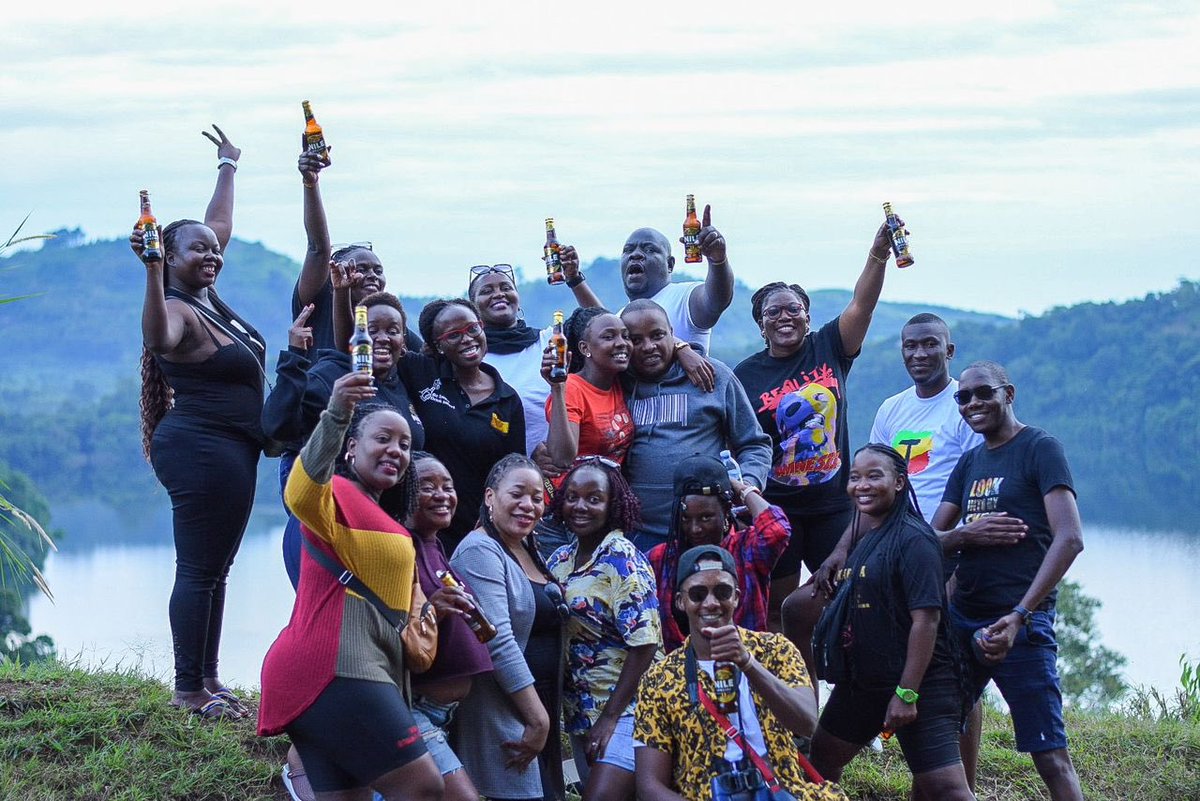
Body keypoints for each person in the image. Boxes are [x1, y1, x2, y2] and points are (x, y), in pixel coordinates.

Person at [258, 373, 443, 801]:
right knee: (425, 788)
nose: (395, 450)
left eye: (404, 444)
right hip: (336, 670)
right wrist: (337, 411)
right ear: (351, 447)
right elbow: (300, 492)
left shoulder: (379, 513)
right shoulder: (334, 494)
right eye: (383, 438)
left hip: (330, 672)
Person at [133, 199, 266, 719]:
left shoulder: (206, 298)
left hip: (230, 449)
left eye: (215, 251)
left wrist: (228, 165)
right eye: (199, 250)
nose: (212, 254)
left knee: (217, 569)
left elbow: (220, 227)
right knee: (197, 570)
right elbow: (156, 337)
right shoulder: (177, 309)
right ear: (168, 257)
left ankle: (208, 677)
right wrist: (151, 272)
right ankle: (187, 688)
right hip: (201, 449)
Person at [733, 219, 896, 644]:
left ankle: (852, 698)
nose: (785, 316)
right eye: (774, 312)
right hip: (778, 509)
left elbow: (864, 304)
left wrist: (878, 252)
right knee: (780, 617)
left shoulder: (829, 347)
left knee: (852, 604)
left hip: (833, 506)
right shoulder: (745, 376)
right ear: (761, 324)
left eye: (793, 309)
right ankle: (798, 705)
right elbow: (733, 440)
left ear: (808, 316)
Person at [931, 362, 1085, 801]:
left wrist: (1020, 615)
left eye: (984, 392)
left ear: (1008, 393)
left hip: (1020, 624)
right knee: (943, 736)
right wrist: (965, 534)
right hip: (962, 620)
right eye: (963, 397)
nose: (973, 403)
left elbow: (1070, 539)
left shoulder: (1040, 448)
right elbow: (933, 540)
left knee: (1050, 755)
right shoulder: (969, 462)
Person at [808, 445, 974, 800]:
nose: (861, 486)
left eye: (874, 476)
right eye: (854, 477)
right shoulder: (869, 538)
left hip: (921, 685)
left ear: (899, 483)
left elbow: (926, 621)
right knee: (818, 761)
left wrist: (907, 693)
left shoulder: (915, 540)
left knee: (946, 790)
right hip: (864, 684)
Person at [634, 545, 844, 801]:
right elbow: (649, 786)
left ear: (736, 597)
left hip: (781, 791)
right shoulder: (660, 678)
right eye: (698, 594)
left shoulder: (775, 650)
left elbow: (807, 723)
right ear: (681, 601)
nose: (710, 603)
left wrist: (748, 664)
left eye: (722, 592)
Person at [264, 290, 426, 589]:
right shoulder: (333, 376)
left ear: (404, 342)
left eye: (393, 331)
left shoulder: (404, 386)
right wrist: (295, 356)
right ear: (354, 336)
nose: (382, 338)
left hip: (385, 528)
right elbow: (277, 426)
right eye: (371, 329)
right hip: (330, 522)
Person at [546, 458, 662, 801]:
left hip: (627, 710)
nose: (580, 506)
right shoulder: (558, 560)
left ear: (612, 505)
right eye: (572, 496)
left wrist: (610, 718)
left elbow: (646, 643)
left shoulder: (621, 559)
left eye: (594, 498)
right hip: (580, 712)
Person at [450, 455, 564, 801]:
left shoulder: (528, 547)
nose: (528, 505)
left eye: (537, 498)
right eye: (517, 494)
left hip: (538, 705)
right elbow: (496, 640)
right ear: (489, 497)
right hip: (506, 714)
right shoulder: (479, 551)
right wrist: (537, 719)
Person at [619, 299, 772, 549]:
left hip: (708, 533)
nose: (648, 346)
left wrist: (746, 486)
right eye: (636, 340)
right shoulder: (617, 381)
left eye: (657, 335)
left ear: (672, 334)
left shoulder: (712, 375)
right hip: (639, 534)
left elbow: (754, 443)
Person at [396, 299, 526, 552]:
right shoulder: (420, 372)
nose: (467, 339)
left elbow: (512, 472)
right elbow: (369, 339)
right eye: (454, 335)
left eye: (472, 328)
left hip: (478, 534)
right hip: (419, 527)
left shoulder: (507, 400)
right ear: (438, 345)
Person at [407, 452, 495, 801]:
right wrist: (435, 610)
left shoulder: (435, 545)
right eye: (427, 487)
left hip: (448, 714)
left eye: (448, 486)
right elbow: (394, 627)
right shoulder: (401, 547)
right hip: (415, 707)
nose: (443, 494)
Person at [647, 455, 790, 653]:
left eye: (706, 517)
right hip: (680, 675)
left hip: (746, 667)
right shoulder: (660, 558)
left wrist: (742, 489)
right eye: (686, 518)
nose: (695, 529)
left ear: (726, 511)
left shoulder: (746, 549)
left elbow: (778, 530)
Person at [470, 256, 602, 457]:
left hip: (560, 469)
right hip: (507, 474)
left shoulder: (551, 341)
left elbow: (601, 326)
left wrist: (574, 279)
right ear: (473, 307)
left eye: (506, 288)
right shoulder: (471, 357)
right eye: (487, 291)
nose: (498, 294)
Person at [869, 313, 982, 522]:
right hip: (896, 538)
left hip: (950, 542)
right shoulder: (890, 409)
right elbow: (874, 478)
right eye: (910, 346)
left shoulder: (969, 405)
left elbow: (978, 481)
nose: (919, 354)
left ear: (949, 351)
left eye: (930, 344)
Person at [618, 205, 734, 355]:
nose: (635, 255)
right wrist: (576, 280)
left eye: (649, 249)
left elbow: (717, 299)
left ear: (670, 264)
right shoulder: (620, 315)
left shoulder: (684, 297)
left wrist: (718, 261)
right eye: (628, 250)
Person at [543, 307, 634, 476]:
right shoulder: (571, 388)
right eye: (608, 337)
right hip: (573, 497)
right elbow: (562, 459)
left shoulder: (618, 380)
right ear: (585, 349)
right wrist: (557, 388)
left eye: (626, 336)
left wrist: (682, 348)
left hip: (607, 494)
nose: (622, 343)